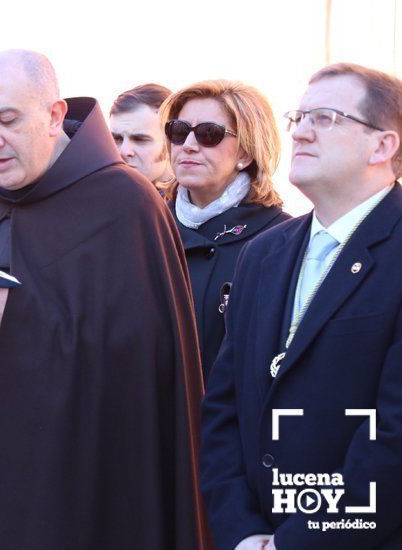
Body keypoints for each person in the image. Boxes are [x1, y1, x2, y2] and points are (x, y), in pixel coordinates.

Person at [0, 49, 206, 549]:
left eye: (7, 120)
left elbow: (145, 364)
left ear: (55, 116)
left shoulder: (125, 205)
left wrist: (23, 322)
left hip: (63, 481)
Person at [200, 63, 402, 550]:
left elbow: (394, 436)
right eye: (300, 116)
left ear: (384, 145)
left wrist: (301, 541)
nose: (302, 131)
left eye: (327, 118)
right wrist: (242, 531)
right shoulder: (263, 254)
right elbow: (224, 406)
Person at [161, 80, 290, 380]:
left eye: (209, 134)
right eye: (178, 131)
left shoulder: (281, 239)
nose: (188, 145)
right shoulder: (147, 225)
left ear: (245, 153)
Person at [109, 83, 173, 185]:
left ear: (171, 144)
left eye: (140, 139)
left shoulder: (198, 198)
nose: (123, 152)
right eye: (117, 139)